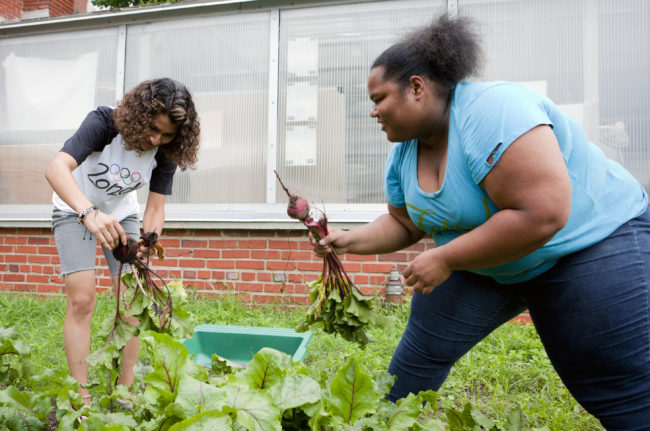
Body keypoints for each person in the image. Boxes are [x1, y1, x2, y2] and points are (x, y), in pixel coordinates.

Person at [312, 15, 650, 431]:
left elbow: (543, 213)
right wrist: (350, 240)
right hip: (485, 259)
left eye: (379, 98)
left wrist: (448, 258)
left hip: (588, 246)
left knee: (619, 387)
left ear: (417, 88)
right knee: (415, 362)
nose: (373, 112)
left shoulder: (493, 111)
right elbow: (404, 223)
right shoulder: (404, 152)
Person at [45, 78, 200, 405]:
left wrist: (149, 239)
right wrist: (89, 213)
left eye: (168, 135)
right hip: (75, 209)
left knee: (133, 298)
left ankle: (124, 392)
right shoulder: (103, 123)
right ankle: (81, 398)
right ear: (140, 115)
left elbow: (156, 206)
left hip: (121, 215)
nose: (156, 139)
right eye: (153, 129)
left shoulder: (164, 150)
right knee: (82, 299)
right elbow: (56, 168)